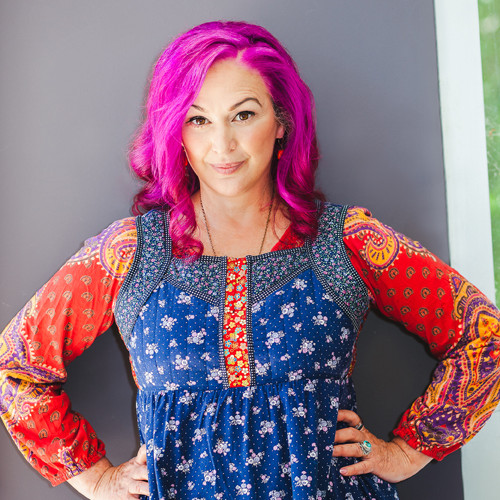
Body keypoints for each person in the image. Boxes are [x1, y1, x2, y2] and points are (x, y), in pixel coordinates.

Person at [0, 20, 499, 500]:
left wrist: (407, 451)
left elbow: (486, 338)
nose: (223, 145)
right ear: (176, 132)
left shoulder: (347, 241)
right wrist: (96, 480)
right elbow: (16, 367)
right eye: (198, 119)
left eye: (243, 114)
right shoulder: (131, 253)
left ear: (281, 122)